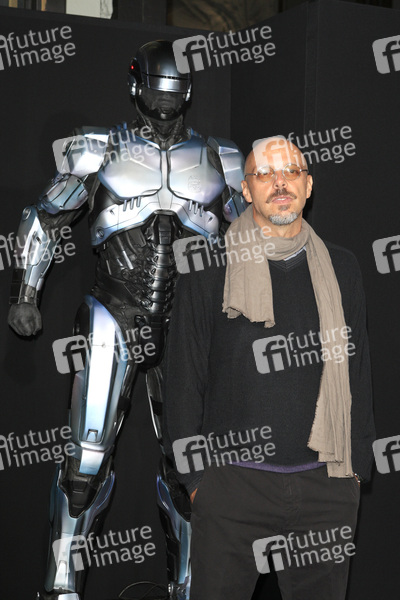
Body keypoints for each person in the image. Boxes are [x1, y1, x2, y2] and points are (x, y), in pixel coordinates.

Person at [7, 40, 245, 600]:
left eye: (174, 88)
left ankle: (188, 586)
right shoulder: (98, 149)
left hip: (190, 325)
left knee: (189, 466)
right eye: (157, 86)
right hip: (113, 311)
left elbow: (250, 238)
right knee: (84, 460)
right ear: (137, 85)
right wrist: (26, 292)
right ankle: (61, 585)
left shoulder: (221, 157)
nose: (165, 98)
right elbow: (44, 218)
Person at [163, 136, 376, 600]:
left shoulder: (342, 268)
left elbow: (357, 370)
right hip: (231, 488)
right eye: (265, 174)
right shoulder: (207, 268)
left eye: (291, 172)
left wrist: (357, 470)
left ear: (308, 185)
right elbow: (182, 380)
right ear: (246, 188)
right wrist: (197, 482)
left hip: (327, 488)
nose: (280, 183)